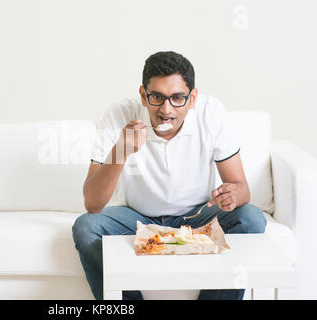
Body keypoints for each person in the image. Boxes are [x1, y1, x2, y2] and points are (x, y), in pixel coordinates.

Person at [72, 51, 267, 300]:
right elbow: (93, 204)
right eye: (157, 97)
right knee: (86, 227)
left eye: (177, 98)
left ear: (192, 98)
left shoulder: (211, 112)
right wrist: (121, 150)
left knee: (251, 218)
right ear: (143, 96)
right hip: (137, 218)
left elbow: (242, 189)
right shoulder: (119, 114)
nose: (166, 110)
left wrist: (231, 195)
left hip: (197, 216)